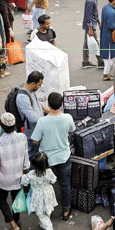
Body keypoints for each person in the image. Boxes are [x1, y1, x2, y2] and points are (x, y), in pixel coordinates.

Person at [31, 92, 76, 222]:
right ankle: (66, 210)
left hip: (46, 159)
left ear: (48, 105)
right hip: (63, 156)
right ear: (61, 105)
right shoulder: (67, 118)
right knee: (65, 184)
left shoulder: (42, 121)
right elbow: (71, 130)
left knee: (45, 185)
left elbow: (35, 140)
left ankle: (46, 211)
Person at [0, 113, 30, 230]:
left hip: (3, 178)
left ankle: (12, 223)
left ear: (2, 126)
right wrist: (26, 174)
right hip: (18, 176)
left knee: (0, 198)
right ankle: (16, 220)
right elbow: (26, 159)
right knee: (16, 199)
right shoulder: (22, 137)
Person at [21, 151, 58, 230]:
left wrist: (22, 176)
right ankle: (43, 224)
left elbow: (24, 182)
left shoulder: (32, 173)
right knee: (47, 209)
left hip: (38, 195)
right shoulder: (49, 171)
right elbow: (54, 180)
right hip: (48, 192)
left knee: (41, 213)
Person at [100, 0, 115, 81]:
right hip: (109, 38)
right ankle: (105, 75)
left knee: (111, 56)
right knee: (108, 58)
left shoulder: (105, 8)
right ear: (114, 0)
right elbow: (111, 26)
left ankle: (112, 72)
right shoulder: (111, 12)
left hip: (105, 35)